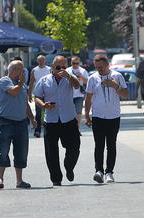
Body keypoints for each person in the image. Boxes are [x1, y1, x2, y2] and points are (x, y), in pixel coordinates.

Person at [33, 55, 81, 186]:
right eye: (58, 67)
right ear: (52, 67)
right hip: (51, 120)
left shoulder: (69, 78)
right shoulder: (44, 80)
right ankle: (56, 178)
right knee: (51, 151)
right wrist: (43, 105)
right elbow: (36, 97)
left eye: (64, 67)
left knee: (74, 147)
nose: (61, 69)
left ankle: (69, 166)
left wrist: (68, 76)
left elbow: (77, 86)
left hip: (69, 119)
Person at [84, 54, 128, 184]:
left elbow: (125, 94)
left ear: (107, 65)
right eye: (97, 67)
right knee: (99, 145)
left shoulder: (117, 76)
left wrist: (115, 85)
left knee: (111, 145)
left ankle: (109, 172)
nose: (99, 70)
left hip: (113, 116)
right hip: (98, 116)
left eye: (101, 67)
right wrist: (87, 115)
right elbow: (88, 98)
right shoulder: (92, 78)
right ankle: (98, 171)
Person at [0, 60, 37, 189]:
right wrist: (21, 83)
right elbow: (13, 92)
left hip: (21, 123)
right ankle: (0, 179)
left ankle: (19, 181)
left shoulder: (21, 85)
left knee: (21, 152)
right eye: (21, 69)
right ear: (13, 70)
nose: (23, 72)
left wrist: (32, 118)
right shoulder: (4, 81)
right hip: (6, 122)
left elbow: (25, 103)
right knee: (3, 151)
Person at [28, 55, 50, 138]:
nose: (41, 62)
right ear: (38, 61)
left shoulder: (49, 69)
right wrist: (29, 94)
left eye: (42, 60)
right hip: (38, 94)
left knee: (48, 112)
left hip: (48, 93)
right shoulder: (34, 70)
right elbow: (31, 82)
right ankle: (37, 131)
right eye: (39, 60)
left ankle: (48, 129)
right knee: (38, 113)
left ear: (45, 61)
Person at [67, 56, 89, 131]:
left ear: (79, 63)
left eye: (77, 63)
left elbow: (87, 82)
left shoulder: (83, 71)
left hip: (79, 94)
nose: (75, 65)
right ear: (71, 62)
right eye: (73, 63)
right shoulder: (67, 70)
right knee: (69, 112)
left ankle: (77, 129)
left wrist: (81, 77)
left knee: (78, 112)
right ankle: (70, 129)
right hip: (69, 94)